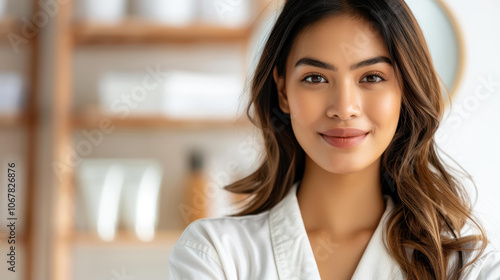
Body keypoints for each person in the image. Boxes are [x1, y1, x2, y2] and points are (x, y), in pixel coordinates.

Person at [168, 0, 500, 279]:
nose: (344, 109)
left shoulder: (468, 267)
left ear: (404, 90)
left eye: (371, 77)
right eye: (315, 78)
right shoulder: (215, 255)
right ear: (283, 91)